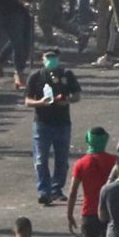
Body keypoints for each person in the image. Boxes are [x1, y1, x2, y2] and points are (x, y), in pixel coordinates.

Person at [66, 126, 119, 237]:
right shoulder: (114, 161)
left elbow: (73, 192)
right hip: (110, 212)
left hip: (89, 213)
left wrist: (69, 214)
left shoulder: (81, 163)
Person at [24, 47, 79, 207]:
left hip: (62, 122)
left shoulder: (66, 75)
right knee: (41, 159)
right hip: (42, 123)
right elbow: (27, 101)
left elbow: (76, 95)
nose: (51, 60)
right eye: (48, 57)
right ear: (42, 59)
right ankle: (44, 191)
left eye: (53, 57)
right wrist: (40, 103)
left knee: (61, 160)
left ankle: (56, 189)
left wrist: (66, 101)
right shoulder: (36, 77)